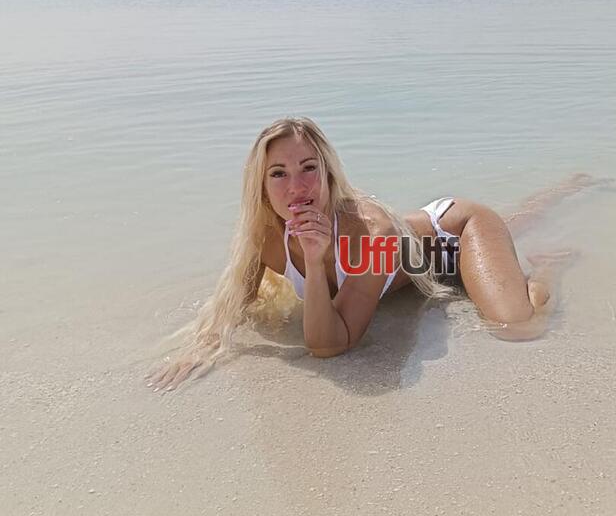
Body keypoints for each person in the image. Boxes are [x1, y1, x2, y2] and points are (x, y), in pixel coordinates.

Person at [149, 117, 587, 390]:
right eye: (278, 174)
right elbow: (232, 303)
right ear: (261, 188)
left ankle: (547, 272)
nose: (297, 187)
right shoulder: (262, 236)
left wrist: (316, 261)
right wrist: (202, 348)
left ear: (328, 173)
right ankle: (568, 188)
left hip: (453, 234)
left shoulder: (373, 234)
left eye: (308, 168)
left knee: (517, 327)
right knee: (521, 221)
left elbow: (330, 345)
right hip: (416, 249)